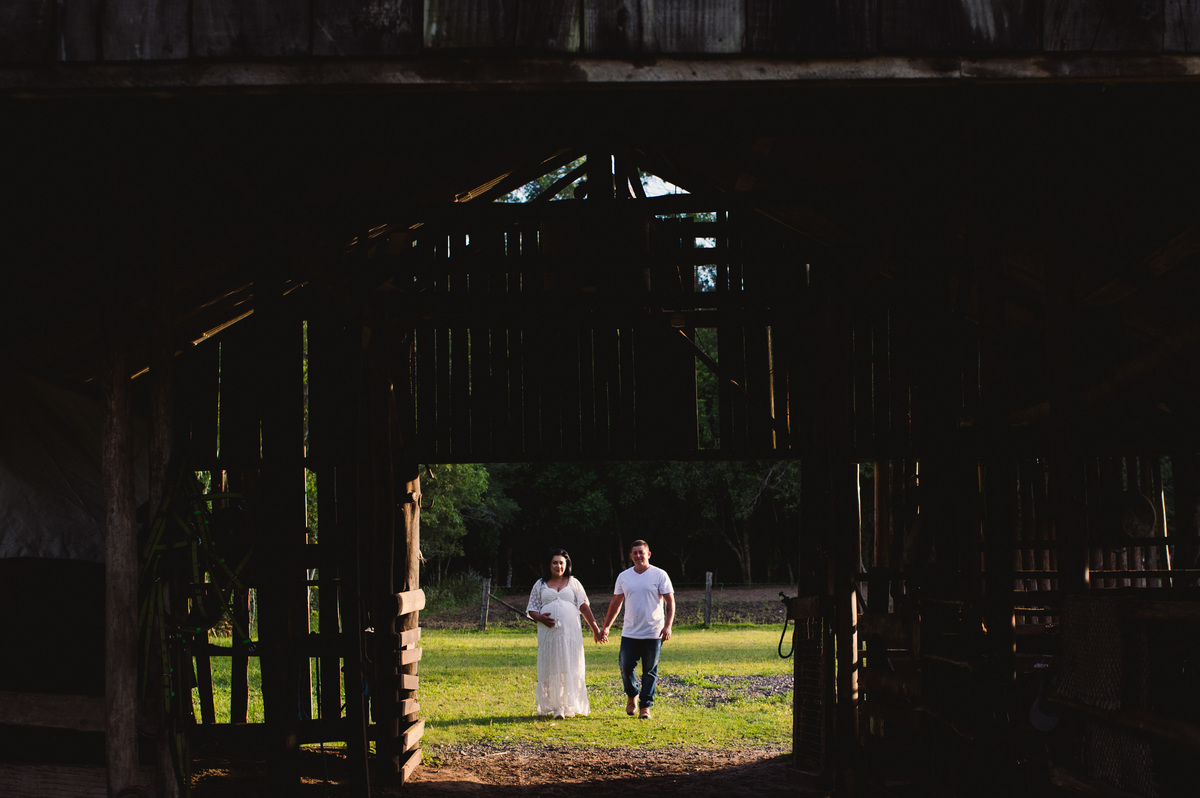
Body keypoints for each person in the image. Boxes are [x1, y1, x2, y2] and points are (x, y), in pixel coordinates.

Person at [599, 539, 675, 720]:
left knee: (649, 671)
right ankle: (632, 694)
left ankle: (645, 707)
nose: (639, 556)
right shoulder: (624, 577)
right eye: (635, 553)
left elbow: (670, 602)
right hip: (630, 633)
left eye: (642, 552)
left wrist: (668, 625)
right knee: (625, 667)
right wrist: (606, 627)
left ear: (648, 554)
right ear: (631, 556)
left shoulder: (659, 575)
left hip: (653, 633)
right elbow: (616, 603)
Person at [526, 548, 603, 719]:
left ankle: (570, 705)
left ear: (566, 564)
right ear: (549, 565)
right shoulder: (540, 584)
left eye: (561, 563)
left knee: (571, 666)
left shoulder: (574, 583)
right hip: (549, 635)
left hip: (571, 634)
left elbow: (584, 607)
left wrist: (596, 629)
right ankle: (556, 707)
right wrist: (540, 617)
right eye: (555, 562)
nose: (558, 566)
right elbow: (531, 608)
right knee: (552, 667)